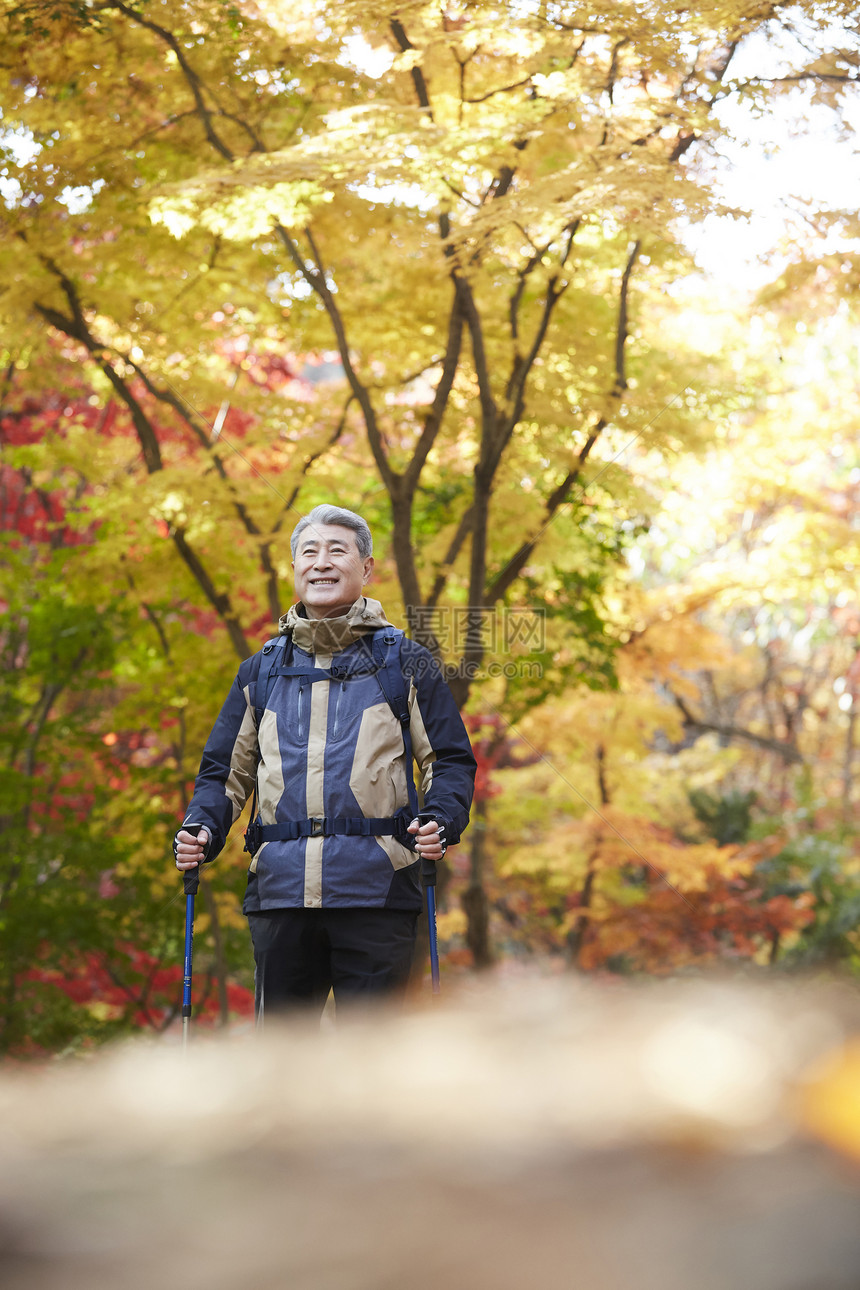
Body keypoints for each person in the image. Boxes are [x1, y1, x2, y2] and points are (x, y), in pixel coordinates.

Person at [173, 503, 476, 1018]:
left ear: (367, 568)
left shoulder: (406, 662)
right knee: (284, 1072)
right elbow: (226, 773)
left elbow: (448, 761)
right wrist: (202, 826)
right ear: (294, 571)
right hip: (280, 896)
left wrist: (442, 820)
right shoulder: (259, 672)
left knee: (372, 1064)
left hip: (377, 893)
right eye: (309, 552)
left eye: (338, 550)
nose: (322, 562)